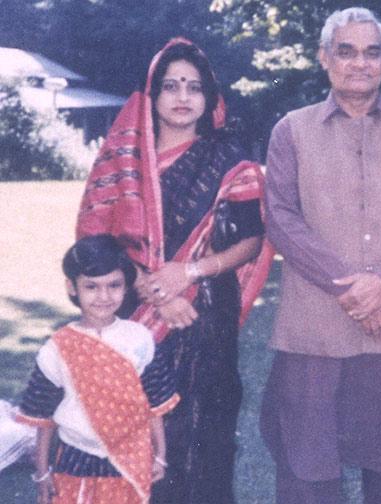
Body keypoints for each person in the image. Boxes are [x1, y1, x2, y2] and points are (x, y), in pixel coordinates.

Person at [260, 7, 381, 503]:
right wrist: (354, 288)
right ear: (325, 59)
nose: (359, 63)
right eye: (346, 51)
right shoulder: (291, 131)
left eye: (372, 52)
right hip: (314, 331)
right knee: (307, 467)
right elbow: (280, 215)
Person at [75, 39, 273, 503]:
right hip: (129, 320)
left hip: (205, 320)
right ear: (152, 93)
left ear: (209, 98)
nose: (183, 98)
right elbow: (94, 239)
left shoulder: (229, 161)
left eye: (194, 87)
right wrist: (150, 287)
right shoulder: (121, 163)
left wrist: (191, 270)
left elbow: (252, 240)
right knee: (131, 440)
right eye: (171, 86)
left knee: (203, 438)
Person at [16, 234, 179, 504]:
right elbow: (44, 419)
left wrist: (160, 454)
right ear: (72, 287)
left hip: (130, 459)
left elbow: (154, 406)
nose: (104, 296)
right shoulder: (57, 348)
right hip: (75, 457)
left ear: (126, 286)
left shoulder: (140, 339)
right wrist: (42, 473)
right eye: (91, 287)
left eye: (114, 285)